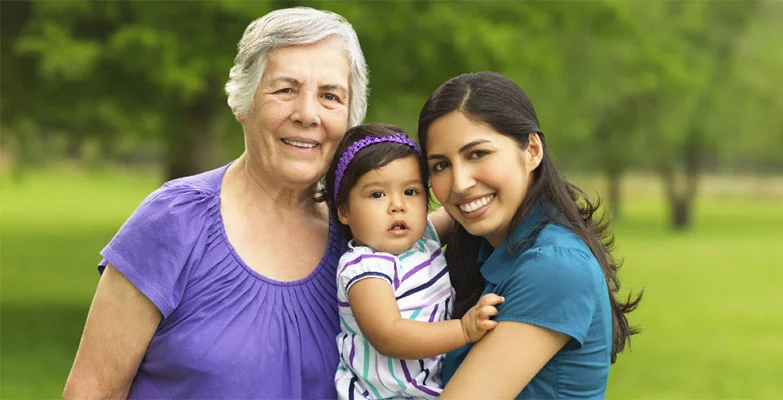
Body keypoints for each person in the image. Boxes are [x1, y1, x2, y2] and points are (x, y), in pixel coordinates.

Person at [63, 7, 371, 399]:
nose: (308, 114)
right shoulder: (173, 220)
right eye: (285, 89)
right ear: (244, 102)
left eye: (330, 96)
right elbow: (93, 391)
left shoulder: (359, 233)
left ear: (349, 117)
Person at [417, 71, 642, 399]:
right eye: (440, 166)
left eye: (477, 154)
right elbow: (393, 236)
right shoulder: (487, 247)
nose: (460, 182)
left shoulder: (553, 265)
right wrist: (456, 210)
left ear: (532, 150)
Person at [322, 123, 503, 400]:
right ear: (344, 211)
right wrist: (463, 330)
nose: (398, 205)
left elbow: (457, 209)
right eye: (377, 194)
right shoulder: (364, 267)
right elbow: (389, 335)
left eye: (411, 192)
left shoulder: (420, 237)